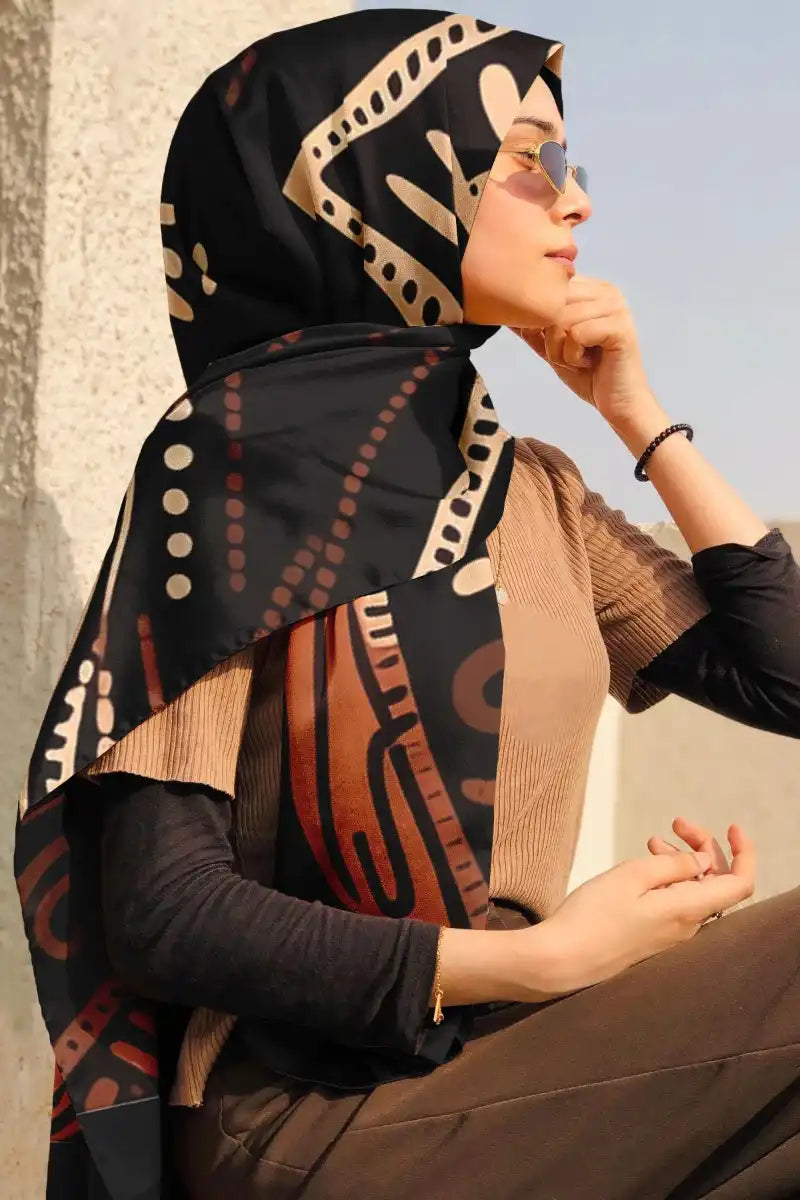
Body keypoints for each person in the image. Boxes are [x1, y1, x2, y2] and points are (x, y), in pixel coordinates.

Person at [15, 9, 800, 1199]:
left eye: (570, 162)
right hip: (306, 1109)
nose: (575, 200)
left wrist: (636, 417)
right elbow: (166, 912)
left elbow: (782, 677)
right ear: (376, 183)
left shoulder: (531, 492)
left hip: (521, 1064)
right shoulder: (227, 474)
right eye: (528, 156)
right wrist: (543, 959)